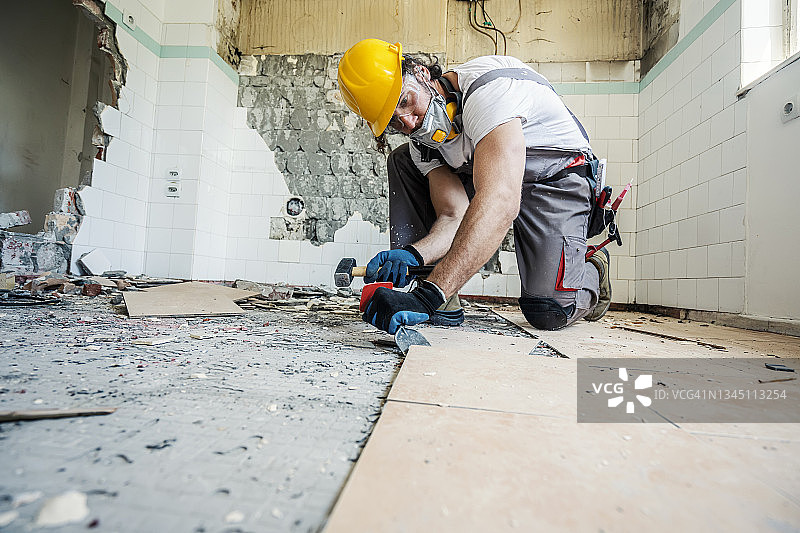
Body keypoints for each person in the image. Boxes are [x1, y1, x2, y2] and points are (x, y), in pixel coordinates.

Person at [336, 38, 611, 335]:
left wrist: (428, 298)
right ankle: (438, 291)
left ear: (420, 72)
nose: (409, 122)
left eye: (405, 101)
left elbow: (501, 201)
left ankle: (592, 268)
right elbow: (454, 215)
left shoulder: (488, 93)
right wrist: (414, 255)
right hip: (494, 174)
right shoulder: (423, 145)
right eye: (393, 122)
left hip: (555, 178)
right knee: (404, 160)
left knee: (550, 311)